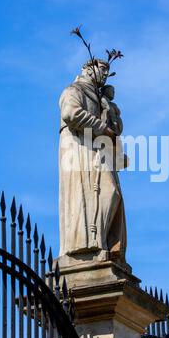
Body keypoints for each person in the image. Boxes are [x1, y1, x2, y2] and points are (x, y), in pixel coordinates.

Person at [58, 59, 127, 266]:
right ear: (86, 69)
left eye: (107, 70)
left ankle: (106, 245)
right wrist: (101, 128)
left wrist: (109, 109)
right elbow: (70, 114)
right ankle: (88, 244)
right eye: (101, 69)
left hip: (100, 149)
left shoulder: (101, 98)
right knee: (98, 192)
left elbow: (117, 129)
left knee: (112, 193)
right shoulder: (74, 89)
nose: (104, 74)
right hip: (79, 148)